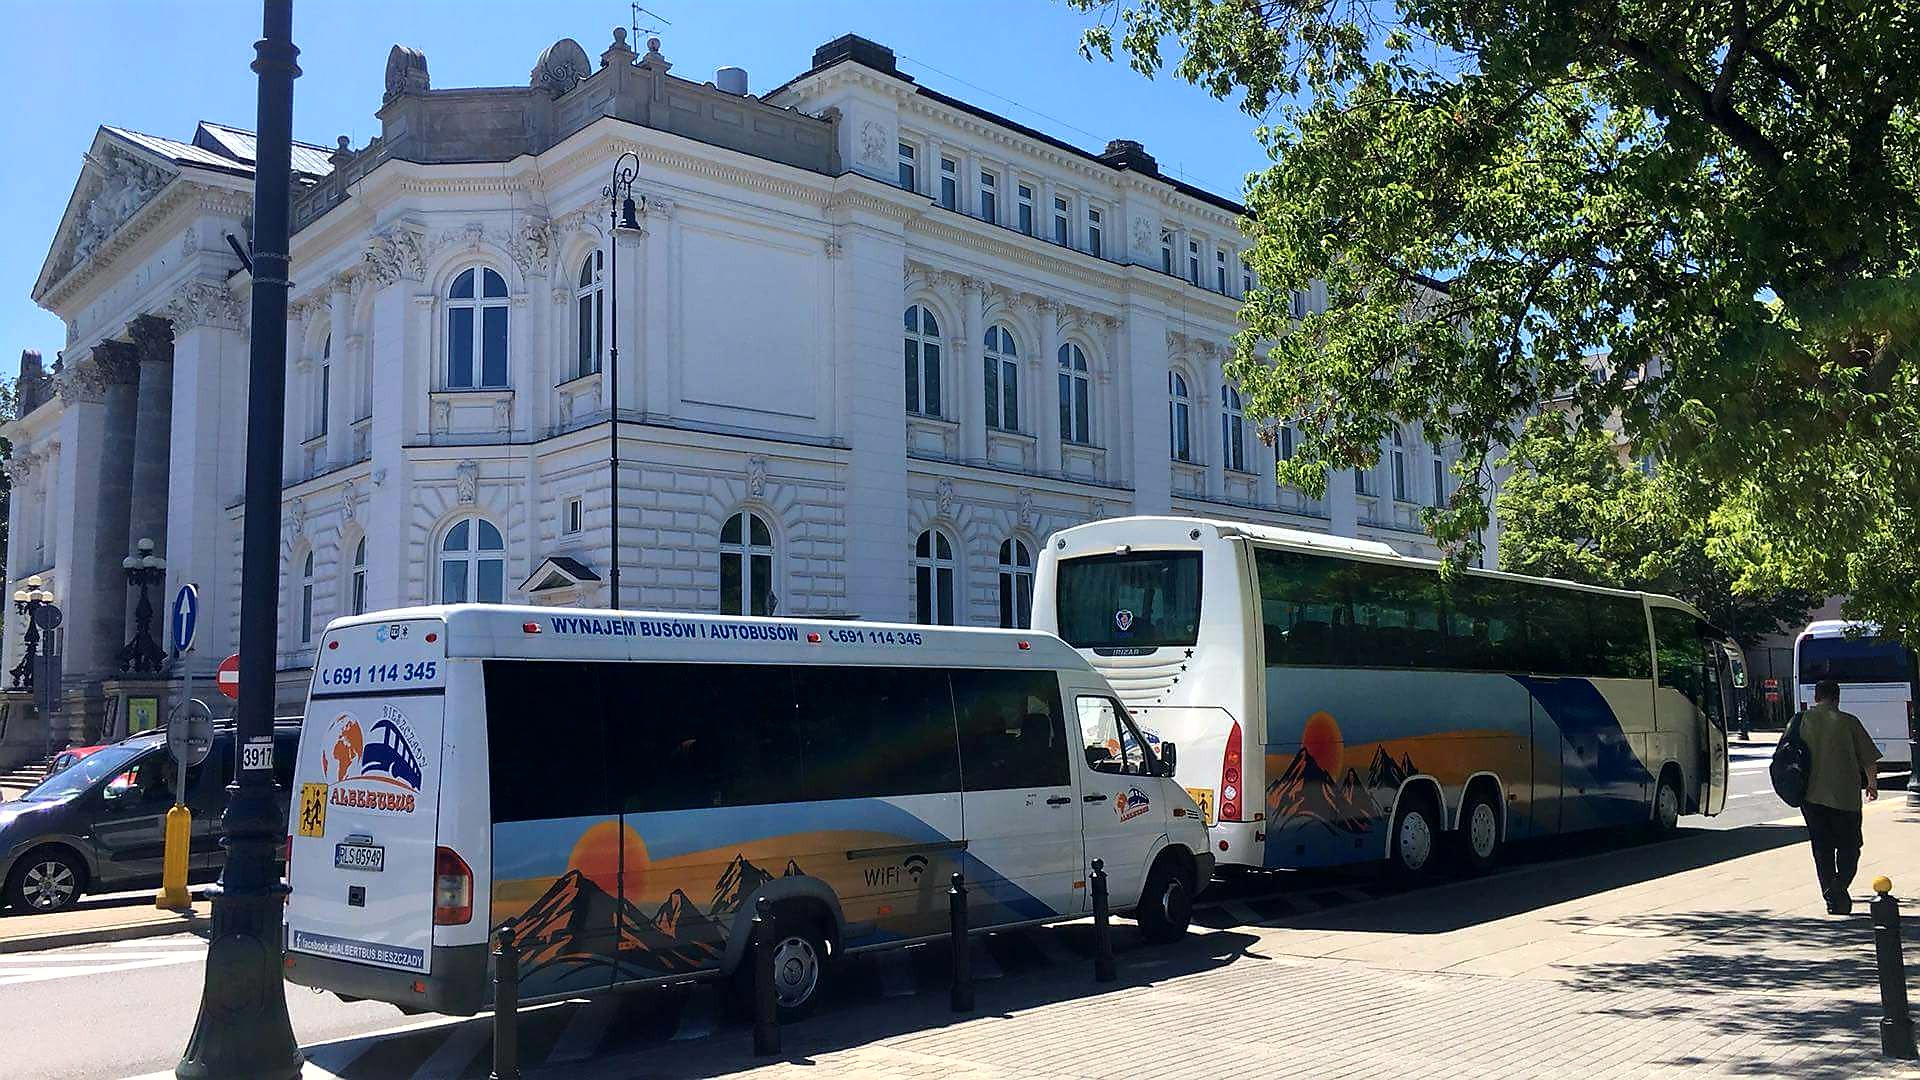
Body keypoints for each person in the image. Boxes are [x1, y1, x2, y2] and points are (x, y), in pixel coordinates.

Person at [1799, 679, 1881, 914]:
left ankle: (1831, 897)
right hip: (1845, 798)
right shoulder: (1848, 722)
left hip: (1810, 797)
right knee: (1850, 847)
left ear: (1816, 697)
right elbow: (1868, 758)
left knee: (1822, 848)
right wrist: (1872, 785)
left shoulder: (1799, 721)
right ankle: (1837, 888)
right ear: (1837, 697)